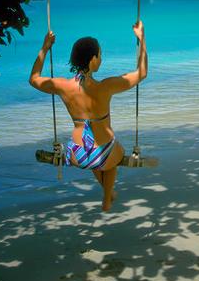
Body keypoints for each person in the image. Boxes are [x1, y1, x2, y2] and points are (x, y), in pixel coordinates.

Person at [29, 20, 148, 212]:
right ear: (93, 60)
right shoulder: (105, 87)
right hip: (104, 154)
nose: (101, 59)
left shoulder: (62, 86)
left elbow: (33, 79)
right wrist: (141, 39)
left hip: (77, 155)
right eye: (100, 55)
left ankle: (108, 194)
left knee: (91, 144)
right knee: (112, 154)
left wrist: (44, 47)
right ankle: (107, 198)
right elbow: (142, 73)